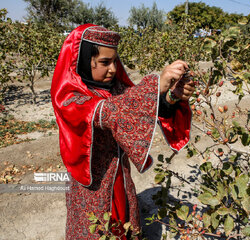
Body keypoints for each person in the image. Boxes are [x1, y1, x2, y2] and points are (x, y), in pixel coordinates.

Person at [51, 24, 195, 239]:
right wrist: (156, 85)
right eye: (104, 62)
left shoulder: (115, 87)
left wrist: (172, 96)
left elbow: (142, 107)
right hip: (92, 184)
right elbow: (105, 112)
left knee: (122, 222)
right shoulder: (69, 97)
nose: (112, 69)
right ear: (81, 60)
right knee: (96, 227)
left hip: (120, 175)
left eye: (114, 61)